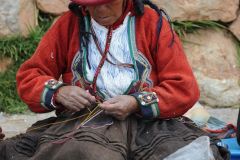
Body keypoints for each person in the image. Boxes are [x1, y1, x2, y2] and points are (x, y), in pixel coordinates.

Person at [0, 0, 229, 159]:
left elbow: (183, 86)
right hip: (86, 122)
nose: (100, 10)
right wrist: (59, 92)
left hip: (149, 125)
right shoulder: (67, 25)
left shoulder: (152, 23)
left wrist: (136, 102)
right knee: (84, 153)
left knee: (184, 154)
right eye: (91, 4)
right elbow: (30, 76)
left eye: (108, 1)